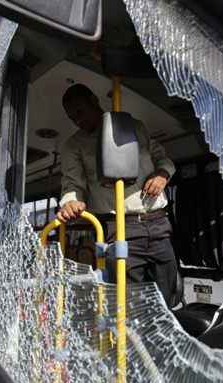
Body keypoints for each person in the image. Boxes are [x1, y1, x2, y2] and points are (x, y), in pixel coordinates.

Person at [56, 83, 178, 305]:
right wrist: (71, 202)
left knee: (168, 295)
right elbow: (72, 184)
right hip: (120, 226)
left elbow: (163, 159)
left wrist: (162, 174)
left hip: (158, 222)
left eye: (80, 112)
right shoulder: (73, 146)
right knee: (130, 301)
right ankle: (133, 339)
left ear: (94, 99)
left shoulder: (135, 127)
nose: (78, 120)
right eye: (72, 117)